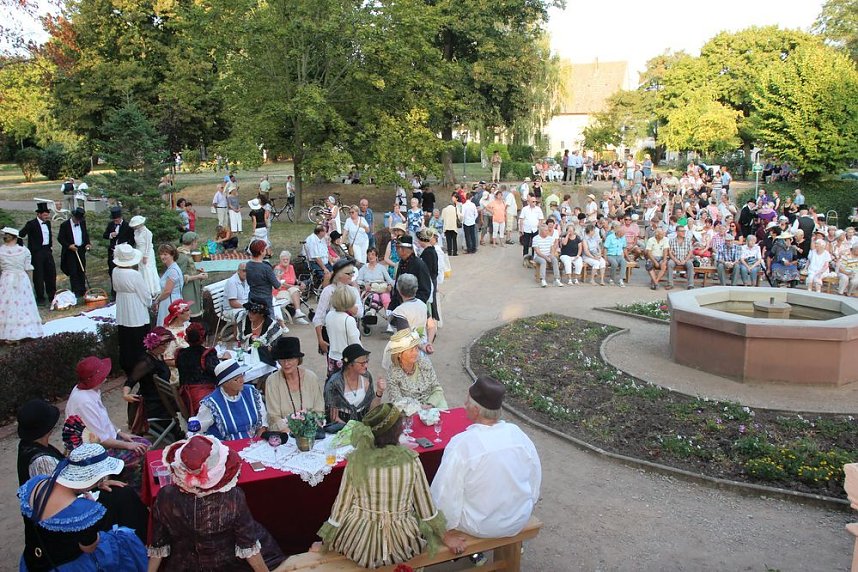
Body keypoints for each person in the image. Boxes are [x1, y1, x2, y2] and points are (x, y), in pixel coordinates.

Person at [315, 404, 445, 568]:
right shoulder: (411, 461)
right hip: (402, 540)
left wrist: (327, 540)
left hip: (359, 541)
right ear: (397, 431)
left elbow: (342, 505)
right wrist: (443, 535)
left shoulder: (356, 460)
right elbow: (425, 507)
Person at [16, 400, 149, 546]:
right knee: (123, 498)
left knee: (120, 491)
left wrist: (98, 484)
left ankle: (140, 540)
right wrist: (92, 488)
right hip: (64, 520)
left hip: (68, 501)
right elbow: (58, 498)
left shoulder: (29, 447)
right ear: (47, 429)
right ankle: (143, 544)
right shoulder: (42, 460)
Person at [431, 377, 540, 550]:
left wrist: (444, 532)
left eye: (467, 401)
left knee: (442, 494)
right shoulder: (519, 435)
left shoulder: (462, 444)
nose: (464, 404)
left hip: (481, 525)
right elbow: (534, 483)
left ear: (476, 410)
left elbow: (444, 494)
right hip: (518, 518)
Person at [148, 435, 285, 571]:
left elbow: (159, 542)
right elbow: (248, 547)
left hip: (186, 564)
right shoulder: (233, 497)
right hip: (228, 565)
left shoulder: (165, 495)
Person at [18, 443, 148, 572]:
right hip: (68, 565)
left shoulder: (37, 484)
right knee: (125, 540)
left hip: (34, 560)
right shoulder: (83, 513)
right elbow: (89, 548)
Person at [66, 356, 151, 466]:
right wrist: (128, 445)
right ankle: (127, 478)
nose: (105, 378)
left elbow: (103, 419)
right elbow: (101, 440)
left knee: (143, 443)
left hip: (106, 439)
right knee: (143, 449)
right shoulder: (85, 402)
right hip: (95, 451)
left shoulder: (89, 390)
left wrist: (120, 433)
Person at [198, 358, 268, 441]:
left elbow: (263, 420)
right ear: (225, 383)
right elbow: (199, 430)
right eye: (236, 379)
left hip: (253, 444)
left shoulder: (252, 393)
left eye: (242, 375)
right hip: (227, 448)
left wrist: (259, 439)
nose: (242, 380)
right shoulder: (211, 403)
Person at [266, 337, 324, 431]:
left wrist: (308, 430)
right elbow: (274, 416)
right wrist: (293, 433)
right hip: (283, 433)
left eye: (290, 359)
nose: (286, 363)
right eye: (282, 359)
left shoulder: (311, 378)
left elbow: (319, 410)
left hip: (310, 432)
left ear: (298, 359)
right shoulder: (272, 381)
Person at [111, 244, 152, 377]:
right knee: (138, 337)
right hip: (135, 306)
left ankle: (127, 364)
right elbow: (144, 293)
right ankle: (141, 365)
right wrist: (149, 302)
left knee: (125, 338)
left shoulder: (115, 271)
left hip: (123, 305)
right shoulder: (134, 274)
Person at [124, 327, 174, 427]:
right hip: (154, 403)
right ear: (155, 344)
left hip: (162, 397)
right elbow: (131, 380)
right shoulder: (146, 362)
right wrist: (126, 394)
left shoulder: (159, 355)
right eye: (163, 344)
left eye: (167, 344)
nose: (166, 347)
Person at [384, 329, 447, 408]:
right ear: (399, 354)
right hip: (409, 410)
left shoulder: (424, 363)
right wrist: (418, 408)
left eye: (416, 348)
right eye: (411, 350)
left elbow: (437, 388)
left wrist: (430, 404)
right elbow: (397, 401)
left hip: (434, 404)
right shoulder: (393, 374)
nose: (415, 353)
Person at [0, 227, 43, 342]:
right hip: (20, 278)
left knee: (8, 304)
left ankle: (9, 332)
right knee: (22, 304)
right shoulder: (24, 251)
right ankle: (24, 330)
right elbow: (28, 268)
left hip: (7, 279)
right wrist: (31, 283)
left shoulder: (2, 251)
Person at [325, 343, 385, 424]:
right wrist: (352, 430)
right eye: (362, 363)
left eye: (366, 361)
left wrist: (379, 392)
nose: (366, 365)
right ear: (350, 364)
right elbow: (333, 418)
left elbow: (372, 411)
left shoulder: (366, 376)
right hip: (341, 426)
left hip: (364, 423)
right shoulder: (334, 383)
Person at [175, 322, 219, 415]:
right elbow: (218, 373)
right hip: (202, 399)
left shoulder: (180, 353)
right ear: (204, 338)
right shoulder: (207, 354)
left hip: (185, 397)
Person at [18, 202, 57, 306]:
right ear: (39, 214)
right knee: (39, 276)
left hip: (47, 251)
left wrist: (50, 246)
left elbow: (49, 236)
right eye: (44, 215)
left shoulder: (47, 223)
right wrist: (22, 248)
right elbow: (20, 235)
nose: (46, 217)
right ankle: (40, 297)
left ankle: (52, 294)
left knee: (51, 273)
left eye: (47, 215)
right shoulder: (31, 224)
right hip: (36, 252)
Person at [388, 235, 431, 315]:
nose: (396, 251)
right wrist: (391, 307)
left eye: (397, 248)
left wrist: (412, 306)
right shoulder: (401, 263)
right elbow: (397, 288)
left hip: (415, 309)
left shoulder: (419, 265)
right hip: (401, 307)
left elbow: (425, 291)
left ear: (403, 250)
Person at [324, 285, 361, 374]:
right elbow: (355, 343)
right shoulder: (349, 320)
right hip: (347, 359)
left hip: (332, 356)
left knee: (334, 384)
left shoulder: (329, 315)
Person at [102, 206, 135, 300]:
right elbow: (104, 235)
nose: (115, 222)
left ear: (120, 218)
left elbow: (132, 240)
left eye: (117, 220)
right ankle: (114, 292)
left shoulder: (127, 226)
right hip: (113, 251)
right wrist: (110, 235)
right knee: (112, 271)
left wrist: (126, 245)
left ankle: (124, 290)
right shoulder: (111, 225)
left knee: (123, 271)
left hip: (123, 253)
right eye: (114, 220)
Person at [57, 208, 91, 298]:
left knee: (82, 269)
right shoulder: (65, 225)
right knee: (73, 271)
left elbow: (85, 235)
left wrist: (87, 243)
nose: (78, 221)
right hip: (70, 251)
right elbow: (60, 238)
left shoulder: (82, 223)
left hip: (80, 250)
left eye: (79, 220)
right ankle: (76, 290)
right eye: (77, 219)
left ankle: (83, 289)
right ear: (73, 217)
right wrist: (69, 246)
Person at [245, 239, 280, 321]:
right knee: (269, 322)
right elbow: (277, 285)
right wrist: (277, 277)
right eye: (264, 249)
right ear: (261, 252)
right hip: (265, 300)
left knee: (256, 321)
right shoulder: (265, 268)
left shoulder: (248, 265)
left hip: (252, 298)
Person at [176, 232, 208, 322]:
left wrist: (197, 272)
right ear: (192, 242)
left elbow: (188, 270)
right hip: (188, 290)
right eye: (196, 242)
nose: (196, 244)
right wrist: (197, 276)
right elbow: (179, 277)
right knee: (190, 313)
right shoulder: (183, 256)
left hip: (192, 288)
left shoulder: (186, 254)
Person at [272, 250, 309, 324]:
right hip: (279, 291)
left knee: (295, 291)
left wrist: (300, 283)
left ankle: (298, 313)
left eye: (287, 259)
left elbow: (294, 279)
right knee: (295, 291)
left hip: (290, 290)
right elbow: (279, 283)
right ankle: (298, 313)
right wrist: (294, 286)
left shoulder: (291, 267)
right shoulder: (277, 269)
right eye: (283, 259)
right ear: (280, 260)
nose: (285, 261)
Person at [126, 216, 159, 296]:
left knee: (147, 269)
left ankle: (151, 289)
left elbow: (148, 245)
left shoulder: (147, 232)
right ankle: (143, 287)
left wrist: (145, 256)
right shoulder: (136, 232)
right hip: (139, 251)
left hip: (146, 252)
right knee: (141, 269)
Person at [154, 244, 184, 326]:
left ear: (172, 254)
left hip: (170, 302)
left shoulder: (173, 270)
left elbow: (167, 291)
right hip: (173, 300)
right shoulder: (171, 268)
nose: (162, 257)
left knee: (169, 326)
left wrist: (157, 300)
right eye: (161, 254)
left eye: (165, 254)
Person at [667, 225, 695, 290]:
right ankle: (670, 284)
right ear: (677, 232)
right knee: (670, 263)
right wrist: (675, 260)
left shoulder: (688, 240)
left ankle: (690, 284)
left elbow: (690, 252)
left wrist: (685, 260)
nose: (683, 232)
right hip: (675, 258)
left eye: (684, 231)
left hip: (685, 258)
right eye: (682, 231)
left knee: (690, 264)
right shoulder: (672, 240)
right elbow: (670, 253)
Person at [604, 222, 628, 288]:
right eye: (622, 234)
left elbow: (624, 248)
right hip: (610, 255)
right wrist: (605, 259)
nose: (623, 235)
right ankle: (612, 279)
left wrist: (627, 257)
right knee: (614, 263)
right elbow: (605, 248)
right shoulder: (610, 237)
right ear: (618, 233)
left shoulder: (623, 238)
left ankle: (621, 279)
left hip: (619, 255)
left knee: (624, 262)